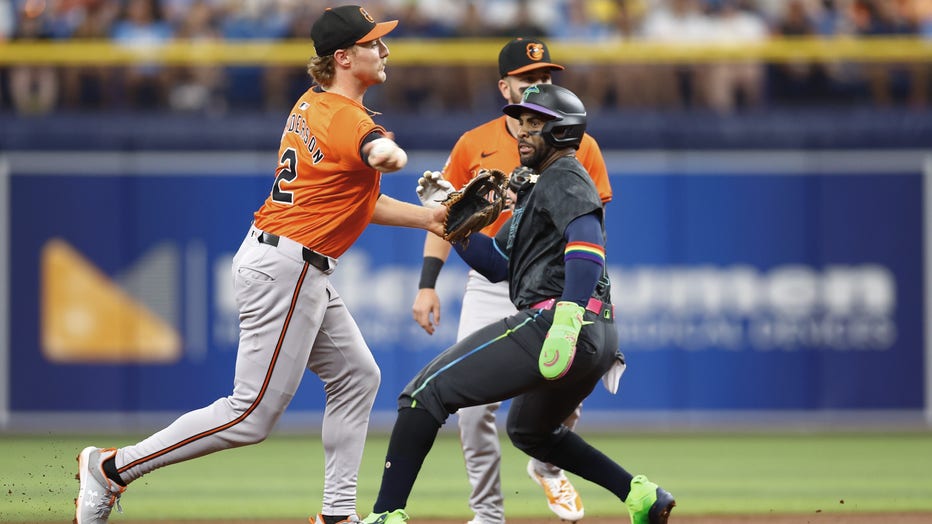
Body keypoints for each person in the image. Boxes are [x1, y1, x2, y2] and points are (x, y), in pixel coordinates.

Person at [73, 6, 447, 524]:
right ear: (344, 57)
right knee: (250, 414)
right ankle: (112, 469)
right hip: (288, 268)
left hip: (286, 259)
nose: (384, 50)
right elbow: (378, 153)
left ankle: (337, 516)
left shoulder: (315, 104)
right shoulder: (346, 118)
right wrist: (389, 154)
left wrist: (431, 218)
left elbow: (359, 202)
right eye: (373, 43)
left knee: (358, 376)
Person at [369, 84, 675, 524]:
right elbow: (496, 266)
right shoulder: (537, 191)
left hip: (561, 321)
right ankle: (641, 495)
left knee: (421, 395)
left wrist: (567, 319)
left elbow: (587, 246)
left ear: (564, 132)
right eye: (523, 123)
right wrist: (449, 215)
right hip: (596, 335)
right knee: (529, 431)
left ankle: (385, 516)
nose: (524, 132)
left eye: (537, 124)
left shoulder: (564, 174)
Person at [411, 37, 612, 524]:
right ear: (505, 86)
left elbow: (590, 224)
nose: (541, 84)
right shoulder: (472, 143)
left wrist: (585, 294)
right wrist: (427, 282)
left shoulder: (577, 141)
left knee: (565, 383)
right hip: (491, 279)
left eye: (546, 77)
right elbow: (448, 219)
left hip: (549, 281)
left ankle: (546, 465)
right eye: (528, 79)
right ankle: (487, 513)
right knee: (472, 408)